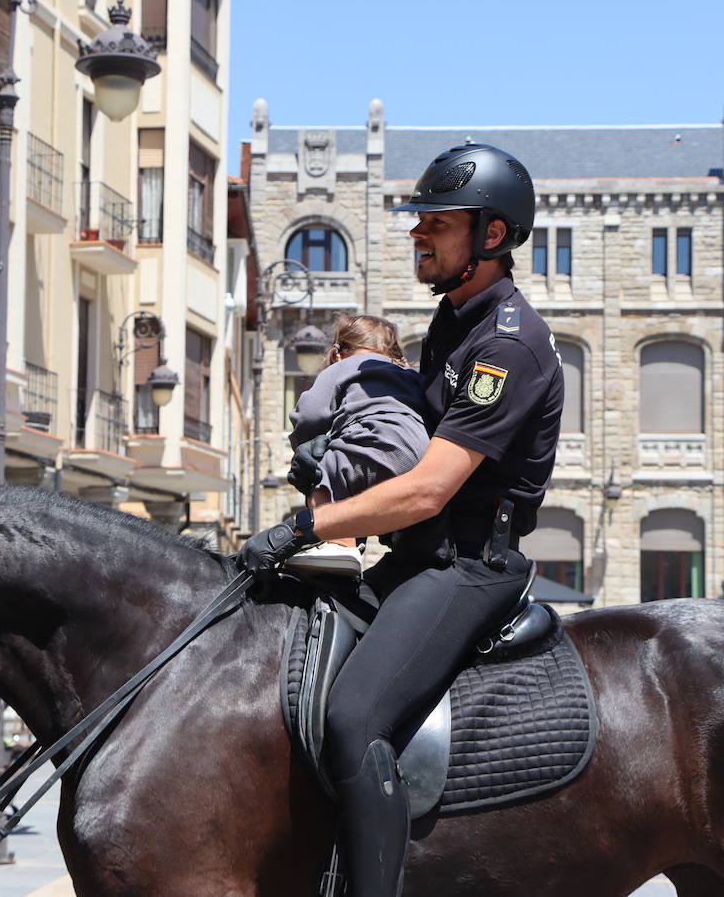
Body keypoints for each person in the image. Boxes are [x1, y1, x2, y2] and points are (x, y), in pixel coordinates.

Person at [240, 143, 562, 896]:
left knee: (354, 720)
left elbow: (426, 491)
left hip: (468, 568)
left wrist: (301, 529)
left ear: (490, 236)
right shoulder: (452, 321)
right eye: (419, 221)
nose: (419, 235)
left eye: (438, 224)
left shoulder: (506, 344)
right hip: (419, 559)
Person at [285, 314, 430, 574]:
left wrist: (302, 445)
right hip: (423, 458)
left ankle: (338, 544)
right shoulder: (409, 374)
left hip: (375, 441)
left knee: (323, 469)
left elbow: (310, 414)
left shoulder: (344, 366)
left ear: (338, 352)